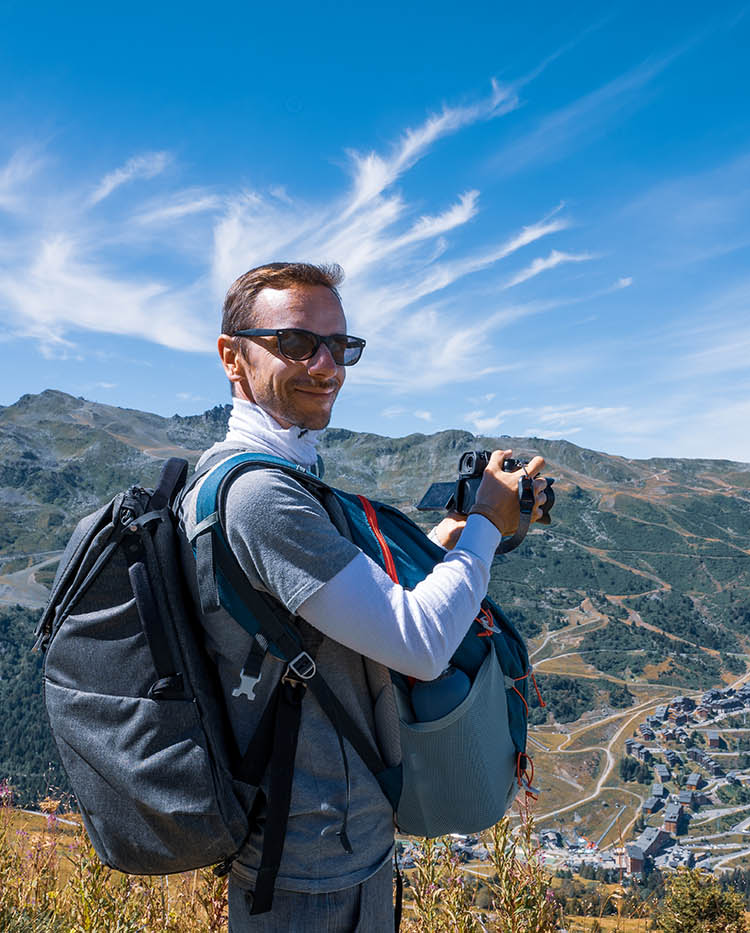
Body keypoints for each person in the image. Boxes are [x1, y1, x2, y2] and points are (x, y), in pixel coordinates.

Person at [180, 261, 548, 932]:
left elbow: (344, 610)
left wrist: (459, 535)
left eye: (339, 346)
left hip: (330, 848)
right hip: (312, 869)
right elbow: (420, 642)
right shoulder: (262, 497)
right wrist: (489, 529)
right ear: (232, 356)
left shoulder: (275, 478)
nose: (326, 365)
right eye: (296, 343)